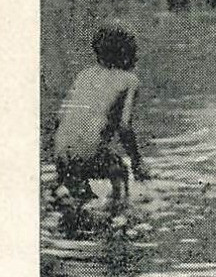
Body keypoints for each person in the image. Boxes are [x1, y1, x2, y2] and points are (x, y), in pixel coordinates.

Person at [52, 21, 149, 207]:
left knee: (79, 201)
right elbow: (124, 127)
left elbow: (60, 119)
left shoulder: (84, 75)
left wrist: (61, 168)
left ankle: (68, 196)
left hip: (61, 154)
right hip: (88, 154)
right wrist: (137, 163)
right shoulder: (129, 80)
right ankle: (118, 213)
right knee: (120, 171)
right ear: (128, 54)